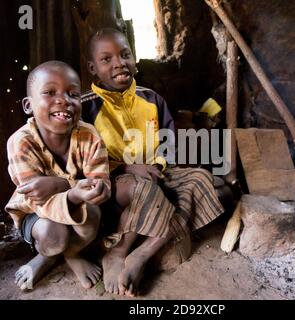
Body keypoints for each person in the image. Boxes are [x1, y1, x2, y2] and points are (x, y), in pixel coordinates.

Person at [81, 28, 224, 297]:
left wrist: (158, 165)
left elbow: (168, 146)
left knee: (200, 178)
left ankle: (142, 255)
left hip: (156, 174)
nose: (119, 63)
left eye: (125, 55)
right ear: (92, 68)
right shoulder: (86, 107)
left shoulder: (151, 98)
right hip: (117, 184)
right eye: (106, 59)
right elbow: (82, 160)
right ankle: (119, 251)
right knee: (146, 189)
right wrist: (126, 167)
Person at [5, 61, 111, 290]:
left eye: (73, 94)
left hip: (78, 207)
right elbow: (38, 200)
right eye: (50, 92)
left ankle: (72, 254)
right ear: (28, 105)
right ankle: (51, 255)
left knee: (91, 216)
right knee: (54, 235)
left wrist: (67, 185)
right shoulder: (20, 143)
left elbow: (101, 183)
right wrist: (73, 190)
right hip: (36, 214)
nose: (63, 100)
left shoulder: (89, 136)